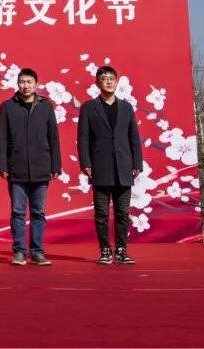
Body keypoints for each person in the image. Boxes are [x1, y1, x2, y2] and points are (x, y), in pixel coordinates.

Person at [0, 68, 62, 266]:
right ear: (17, 84)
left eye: (29, 82)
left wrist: (56, 165)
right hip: (16, 168)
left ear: (36, 84)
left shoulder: (46, 106)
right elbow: (1, 138)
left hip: (42, 167)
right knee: (17, 211)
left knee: (38, 212)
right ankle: (19, 252)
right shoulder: (7, 106)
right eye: (22, 82)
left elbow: (53, 137)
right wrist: (2, 165)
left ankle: (37, 252)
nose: (26, 85)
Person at [78, 65, 142, 265]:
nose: (108, 81)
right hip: (100, 167)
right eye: (104, 78)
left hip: (124, 167)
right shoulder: (89, 107)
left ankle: (122, 250)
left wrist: (137, 162)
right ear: (97, 83)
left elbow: (134, 137)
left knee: (123, 212)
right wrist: (86, 162)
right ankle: (105, 250)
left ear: (116, 81)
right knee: (102, 213)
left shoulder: (126, 107)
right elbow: (83, 138)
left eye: (111, 78)